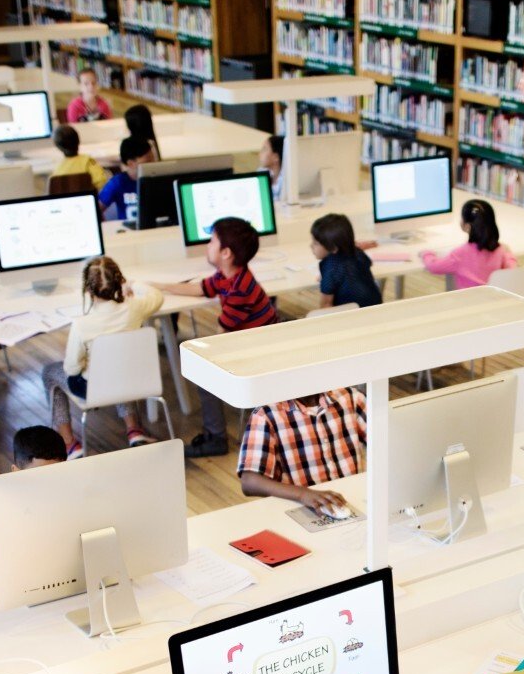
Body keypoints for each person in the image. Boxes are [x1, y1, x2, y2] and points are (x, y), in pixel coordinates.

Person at [151, 216, 279, 458]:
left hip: (259, 352)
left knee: (204, 373)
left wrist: (199, 357)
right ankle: (213, 433)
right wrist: (160, 286)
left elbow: (222, 336)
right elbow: (200, 288)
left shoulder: (240, 289)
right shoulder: (229, 275)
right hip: (252, 342)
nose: (207, 246)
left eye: (212, 242)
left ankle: (215, 437)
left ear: (226, 253)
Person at [45, 255, 167, 452]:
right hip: (134, 380)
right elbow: (157, 297)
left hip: (94, 388)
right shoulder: (134, 308)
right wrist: (134, 285)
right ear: (120, 281)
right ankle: (134, 430)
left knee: (49, 372)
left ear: (87, 289)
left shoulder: (82, 324)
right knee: (119, 367)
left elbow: (72, 367)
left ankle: (69, 443)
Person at [235, 387, 368, 513]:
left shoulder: (351, 398)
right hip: (300, 507)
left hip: (351, 501)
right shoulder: (266, 415)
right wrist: (303, 494)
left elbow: (386, 440)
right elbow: (250, 482)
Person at [0, 426, 68, 570]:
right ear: (16, 472)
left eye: (56, 476)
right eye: (37, 478)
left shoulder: (72, 508)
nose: (46, 487)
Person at [419, 199, 517, 287]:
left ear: (467, 226)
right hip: (493, 302)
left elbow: (433, 267)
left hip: (468, 303)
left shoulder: (460, 254)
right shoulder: (501, 251)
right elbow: (512, 269)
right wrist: (508, 253)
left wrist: (426, 254)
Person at [311, 212, 381, 309]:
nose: (311, 246)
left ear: (333, 248)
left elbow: (326, 304)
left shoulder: (330, 266)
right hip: (376, 308)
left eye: (315, 243)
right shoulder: (358, 252)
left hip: (351, 315)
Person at [97, 134, 153, 224]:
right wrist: (106, 227)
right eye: (147, 162)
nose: (153, 164)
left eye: (153, 159)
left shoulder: (156, 179)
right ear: (131, 163)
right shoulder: (117, 183)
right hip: (129, 233)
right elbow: (97, 209)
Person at [49, 123, 108, 192]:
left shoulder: (57, 172)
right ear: (78, 141)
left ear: (58, 147)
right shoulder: (88, 161)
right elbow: (101, 182)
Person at [260, 133, 285, 201]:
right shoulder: (262, 173)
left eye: (264, 149)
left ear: (275, 157)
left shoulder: (285, 183)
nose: (260, 153)